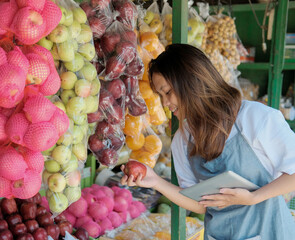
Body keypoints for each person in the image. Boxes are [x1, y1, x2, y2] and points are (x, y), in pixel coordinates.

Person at [120, 44, 295, 240]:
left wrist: (253, 198)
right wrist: (156, 182)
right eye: (160, 96)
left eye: (167, 92)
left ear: (191, 81)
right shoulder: (182, 139)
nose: (164, 103)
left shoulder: (254, 118)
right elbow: (200, 204)